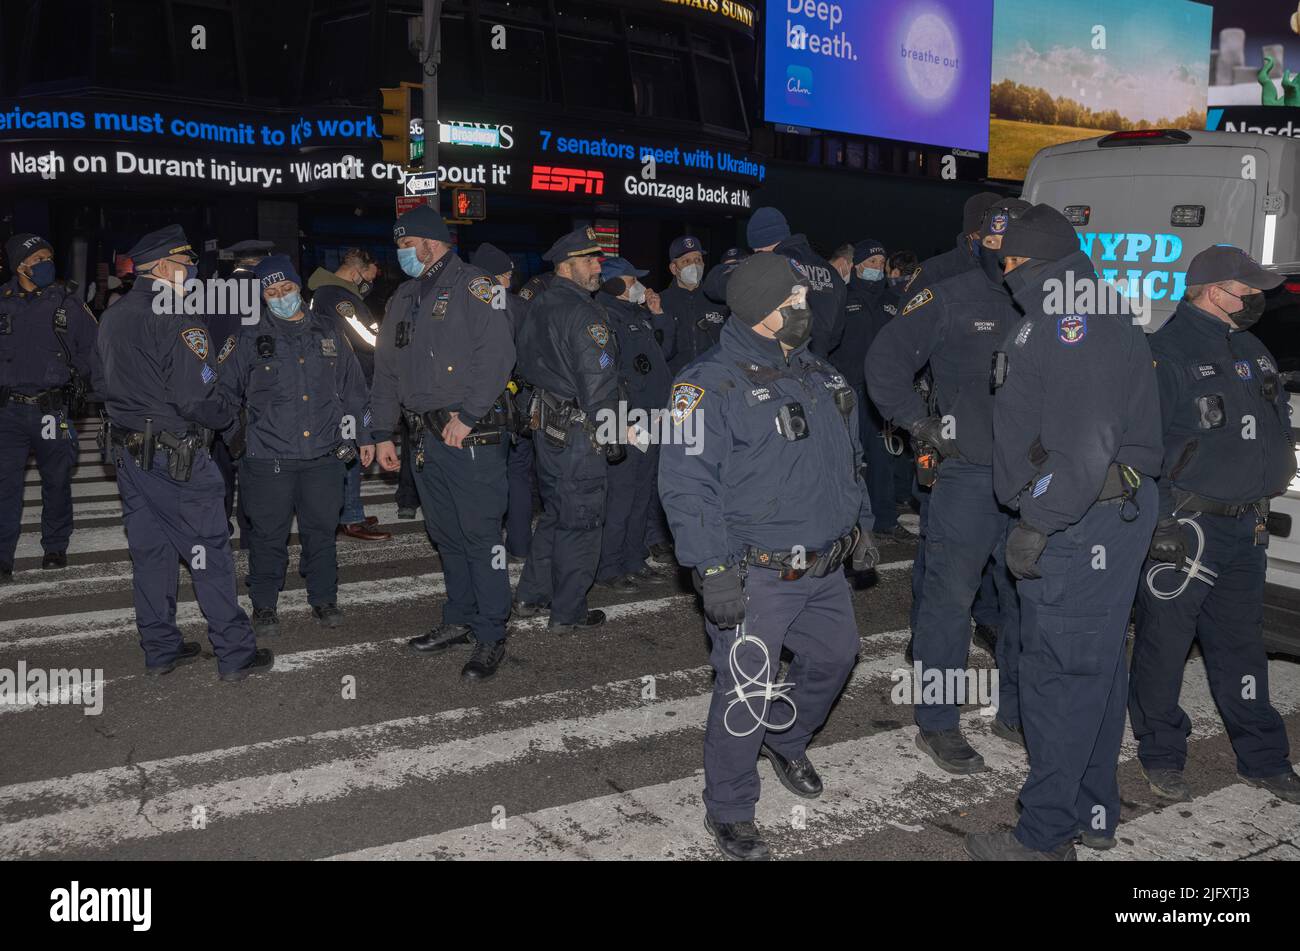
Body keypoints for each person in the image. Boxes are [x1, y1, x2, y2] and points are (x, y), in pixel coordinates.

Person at [659, 251, 879, 861]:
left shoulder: (820, 375)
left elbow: (848, 462)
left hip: (824, 568)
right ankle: (730, 807)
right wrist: (711, 569)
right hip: (756, 571)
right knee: (744, 692)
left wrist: (860, 526)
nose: (805, 310)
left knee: (837, 658)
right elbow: (685, 485)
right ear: (761, 312)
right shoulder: (704, 384)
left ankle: (788, 738)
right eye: (794, 303)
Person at [967, 205, 1162, 860]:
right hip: (1093, 512)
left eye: (1009, 262)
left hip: (1081, 520)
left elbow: (1082, 448)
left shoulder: (1076, 318)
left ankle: (1043, 837)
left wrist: (1037, 520)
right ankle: (1092, 810)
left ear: (1029, 262)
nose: (1003, 272)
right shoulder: (1071, 307)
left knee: (1059, 676)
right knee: (1096, 671)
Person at [1129, 246, 1300, 805]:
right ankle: (1161, 754)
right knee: (1165, 646)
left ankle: (1264, 757)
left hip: (1245, 529)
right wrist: (1155, 521)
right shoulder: (1165, 353)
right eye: (1248, 290)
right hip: (1189, 527)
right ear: (1212, 290)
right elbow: (1138, 448)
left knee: (1241, 647)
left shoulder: (1250, 346)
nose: (1259, 299)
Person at [867, 203, 1025, 772]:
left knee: (1022, 601)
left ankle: (1016, 712)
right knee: (950, 601)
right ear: (978, 240)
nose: (1005, 252)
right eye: (996, 240)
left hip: (1032, 480)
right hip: (967, 475)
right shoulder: (951, 294)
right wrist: (920, 424)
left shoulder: (1049, 299)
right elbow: (885, 361)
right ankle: (937, 721)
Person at [97, 225, 271, 681]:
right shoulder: (177, 314)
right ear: (164, 268)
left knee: (151, 553)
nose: (193, 272)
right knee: (208, 552)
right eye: (186, 264)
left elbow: (100, 382)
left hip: (128, 452)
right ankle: (234, 653)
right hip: (177, 456)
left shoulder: (114, 314)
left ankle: (160, 648)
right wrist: (229, 416)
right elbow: (197, 397)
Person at [371, 206, 516, 681]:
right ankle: (459, 619)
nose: (401, 255)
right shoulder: (404, 297)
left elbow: (498, 355)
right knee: (447, 536)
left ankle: (491, 632)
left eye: (406, 245)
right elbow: (386, 370)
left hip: (468, 434)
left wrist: (470, 416)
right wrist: (381, 431)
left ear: (430, 243)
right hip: (422, 437)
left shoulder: (477, 286)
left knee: (479, 536)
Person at [220, 255, 373, 636]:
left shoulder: (329, 332)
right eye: (271, 291)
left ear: (298, 288)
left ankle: (324, 598)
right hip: (268, 459)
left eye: (285, 288)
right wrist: (239, 442)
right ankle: (265, 604)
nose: (280, 296)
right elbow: (222, 395)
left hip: (323, 455)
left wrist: (364, 435)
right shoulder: (249, 338)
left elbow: (354, 390)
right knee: (268, 536)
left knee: (321, 531)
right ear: (262, 297)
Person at [513, 227, 623, 633]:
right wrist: (610, 434)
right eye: (590, 259)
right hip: (581, 432)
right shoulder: (583, 312)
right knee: (582, 522)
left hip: (548, 427)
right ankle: (568, 612)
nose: (599, 266)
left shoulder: (538, 305)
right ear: (566, 265)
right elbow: (598, 382)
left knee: (558, 514)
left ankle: (531, 594)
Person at [0, 233, 99, 581]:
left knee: (56, 481)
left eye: (48, 256)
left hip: (50, 409)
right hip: (7, 411)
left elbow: (93, 349)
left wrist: (79, 378)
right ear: (20, 264)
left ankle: (55, 546)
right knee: (4, 486)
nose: (45, 262)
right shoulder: (3, 301)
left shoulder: (67, 303)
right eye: (38, 257)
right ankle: (3, 558)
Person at [594, 256, 672, 591]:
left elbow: (666, 351)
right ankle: (609, 566)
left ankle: (633, 558)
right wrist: (620, 418)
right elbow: (603, 371)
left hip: (650, 417)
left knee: (643, 491)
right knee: (622, 494)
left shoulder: (637, 315)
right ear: (614, 284)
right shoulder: (604, 317)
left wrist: (658, 315)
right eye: (632, 279)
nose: (639, 284)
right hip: (625, 419)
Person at [828, 238, 911, 545]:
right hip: (849, 387)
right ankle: (844, 520)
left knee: (882, 456)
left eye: (881, 262)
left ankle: (885, 519)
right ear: (858, 266)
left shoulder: (893, 300)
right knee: (847, 457)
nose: (877, 267)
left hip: (882, 389)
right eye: (871, 262)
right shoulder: (844, 297)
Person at [306, 248, 390, 543]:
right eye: (369, 277)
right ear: (357, 271)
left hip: (336, 379)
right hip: (347, 382)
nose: (370, 283)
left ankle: (349, 511)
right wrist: (389, 339)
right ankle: (351, 518)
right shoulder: (339, 296)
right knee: (352, 448)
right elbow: (367, 338)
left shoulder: (324, 293)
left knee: (347, 447)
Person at [472, 242, 535, 563]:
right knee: (519, 475)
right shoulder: (519, 307)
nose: (511, 276)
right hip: (519, 404)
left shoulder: (469, 307)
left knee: (486, 480)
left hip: (482, 408)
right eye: (506, 272)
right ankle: (521, 544)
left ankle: (487, 548)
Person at [212, 239, 274, 540]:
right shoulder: (268, 295)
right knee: (253, 470)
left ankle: (220, 525)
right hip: (257, 394)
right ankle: (251, 534)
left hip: (220, 392)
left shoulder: (213, 294)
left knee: (220, 466)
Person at [746, 208, 846, 359]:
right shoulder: (831, 273)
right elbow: (836, 333)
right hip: (818, 367)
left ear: (759, 244)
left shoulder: (772, 266)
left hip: (779, 366)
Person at [906, 192, 1005, 293]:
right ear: (968, 234)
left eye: (1000, 235)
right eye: (981, 234)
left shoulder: (1011, 272)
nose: (991, 241)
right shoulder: (934, 270)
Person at [660, 235, 725, 376]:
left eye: (698, 260)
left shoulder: (718, 299)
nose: (694, 265)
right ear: (673, 268)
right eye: (686, 261)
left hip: (714, 382)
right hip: (675, 383)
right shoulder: (661, 303)